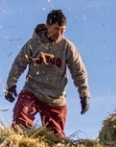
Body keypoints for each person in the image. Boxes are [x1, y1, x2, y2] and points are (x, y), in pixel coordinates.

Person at [5, 9, 91, 138]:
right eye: (57, 29)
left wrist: (84, 95)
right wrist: (11, 85)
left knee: (56, 138)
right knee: (20, 120)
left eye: (63, 30)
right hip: (33, 91)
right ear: (47, 26)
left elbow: (79, 72)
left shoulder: (67, 47)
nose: (60, 33)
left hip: (55, 98)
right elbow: (18, 64)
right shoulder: (33, 44)